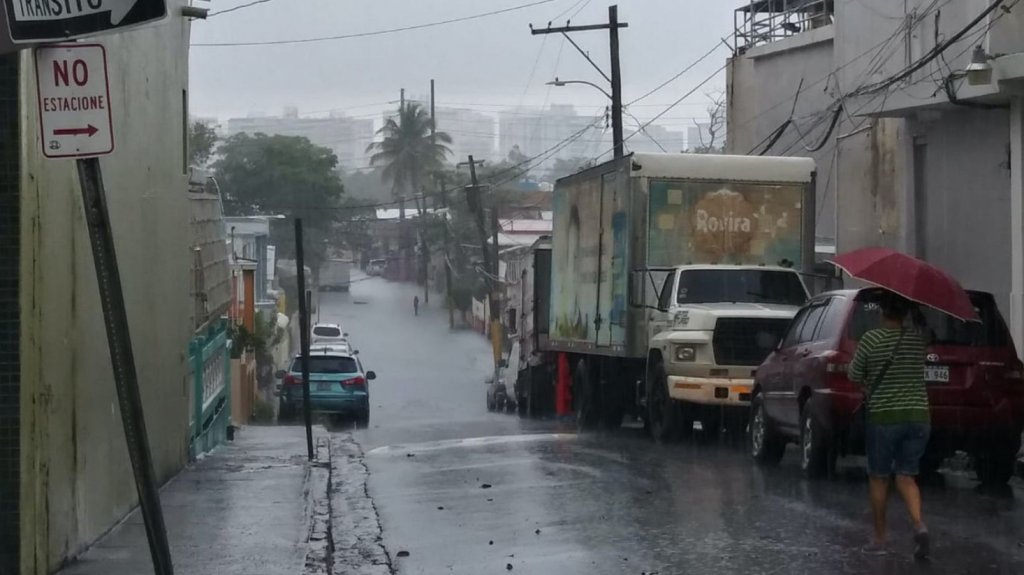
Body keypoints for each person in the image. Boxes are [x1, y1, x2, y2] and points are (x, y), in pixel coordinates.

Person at [849, 292, 931, 559]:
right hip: (918, 417)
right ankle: (919, 526)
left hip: (884, 417)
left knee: (879, 477)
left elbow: (853, 374)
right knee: (907, 476)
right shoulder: (916, 340)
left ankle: (880, 538)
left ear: (882, 311)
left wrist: (869, 382)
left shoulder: (872, 339)